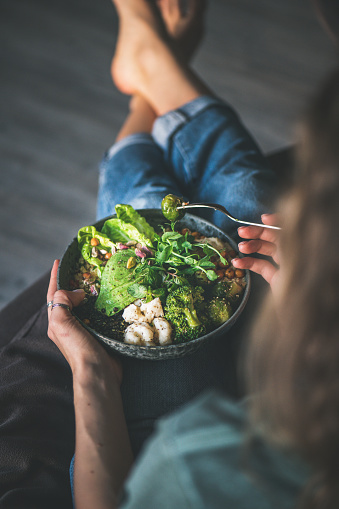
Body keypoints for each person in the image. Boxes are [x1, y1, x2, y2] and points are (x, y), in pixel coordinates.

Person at [46, 1, 339, 508]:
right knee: (247, 194)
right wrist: (315, 299)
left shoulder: (195, 464)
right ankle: (155, 66)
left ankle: (151, 76)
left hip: (223, 402)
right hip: (305, 367)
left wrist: (91, 372)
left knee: (139, 203)